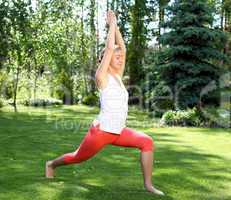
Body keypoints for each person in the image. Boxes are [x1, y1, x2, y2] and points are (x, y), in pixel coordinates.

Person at [45, 10, 164, 196]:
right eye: (116, 57)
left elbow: (122, 49)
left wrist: (116, 31)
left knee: (147, 142)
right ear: (105, 60)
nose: (120, 58)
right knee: (78, 157)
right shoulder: (102, 77)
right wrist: (112, 25)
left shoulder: (117, 76)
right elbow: (110, 49)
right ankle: (51, 164)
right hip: (101, 132)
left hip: (118, 131)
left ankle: (148, 185)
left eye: (120, 58)